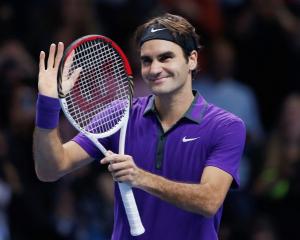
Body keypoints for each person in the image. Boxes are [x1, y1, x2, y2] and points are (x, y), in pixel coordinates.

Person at [33, 13, 246, 240]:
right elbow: (50, 169)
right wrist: (48, 105)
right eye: (147, 61)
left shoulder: (226, 127)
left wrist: (140, 178)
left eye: (165, 58)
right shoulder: (120, 114)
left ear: (191, 59)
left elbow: (210, 200)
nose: (154, 70)